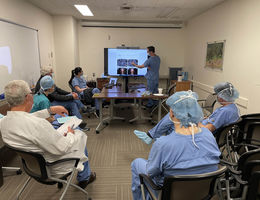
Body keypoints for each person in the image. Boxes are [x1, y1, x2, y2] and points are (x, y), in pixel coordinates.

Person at [0, 80, 96, 188]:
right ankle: (85, 177)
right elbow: (62, 147)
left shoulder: (3, 122)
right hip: (52, 167)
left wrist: (49, 110)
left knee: (63, 133)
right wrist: (70, 134)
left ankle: (84, 176)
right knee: (79, 135)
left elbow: (23, 118)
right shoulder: (39, 124)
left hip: (32, 166)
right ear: (28, 97)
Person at [131, 91, 221, 200]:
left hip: (170, 194)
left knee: (136, 163)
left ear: (172, 113)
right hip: (203, 193)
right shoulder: (208, 135)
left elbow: (151, 172)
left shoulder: (162, 144)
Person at [134, 82, 240, 144]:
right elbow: (215, 121)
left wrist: (195, 121)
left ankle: (154, 137)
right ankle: (156, 138)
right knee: (173, 120)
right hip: (203, 127)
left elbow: (209, 128)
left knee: (173, 118)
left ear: (222, 96)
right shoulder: (232, 108)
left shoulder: (224, 111)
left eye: (218, 94)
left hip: (201, 133)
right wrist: (204, 118)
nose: (217, 96)